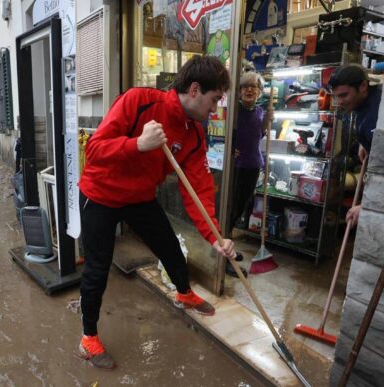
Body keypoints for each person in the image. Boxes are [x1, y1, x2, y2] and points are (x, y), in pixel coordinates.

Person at [77, 55, 236, 369]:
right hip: (100, 194)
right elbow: (94, 149)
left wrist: (213, 236)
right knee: (97, 267)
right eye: (215, 99)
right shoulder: (139, 101)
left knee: (170, 246)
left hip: (139, 197)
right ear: (194, 89)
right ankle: (88, 338)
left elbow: (198, 188)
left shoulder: (193, 134)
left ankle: (184, 293)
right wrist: (137, 144)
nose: (215, 109)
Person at [226, 71, 273, 277]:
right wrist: (230, 148)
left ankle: (228, 248)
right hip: (236, 167)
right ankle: (224, 255)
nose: (249, 90)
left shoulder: (261, 111)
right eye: (245, 87)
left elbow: (259, 134)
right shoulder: (232, 111)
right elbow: (226, 134)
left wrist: (268, 120)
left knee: (240, 210)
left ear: (260, 91)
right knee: (229, 210)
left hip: (253, 165)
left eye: (254, 86)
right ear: (238, 91)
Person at [328, 64, 382, 226]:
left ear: (363, 86)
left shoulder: (378, 111)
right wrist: (363, 143)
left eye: (344, 95)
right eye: (336, 96)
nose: (339, 102)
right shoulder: (364, 102)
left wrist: (366, 205)